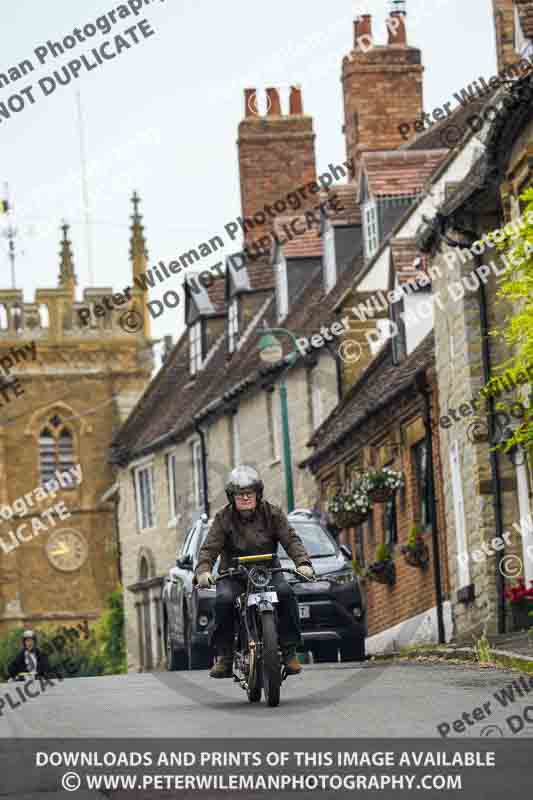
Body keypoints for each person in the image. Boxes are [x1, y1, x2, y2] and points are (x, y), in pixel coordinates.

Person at [195, 465, 314, 679]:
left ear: (258, 493)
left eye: (249, 493)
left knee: (286, 593)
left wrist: (302, 563)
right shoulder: (223, 518)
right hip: (233, 574)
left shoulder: (273, 513)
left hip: (268, 571)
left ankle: (289, 652)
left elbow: (291, 539)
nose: (245, 497)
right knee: (223, 600)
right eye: (240, 494)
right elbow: (209, 548)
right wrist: (203, 570)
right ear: (232, 497)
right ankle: (225, 656)